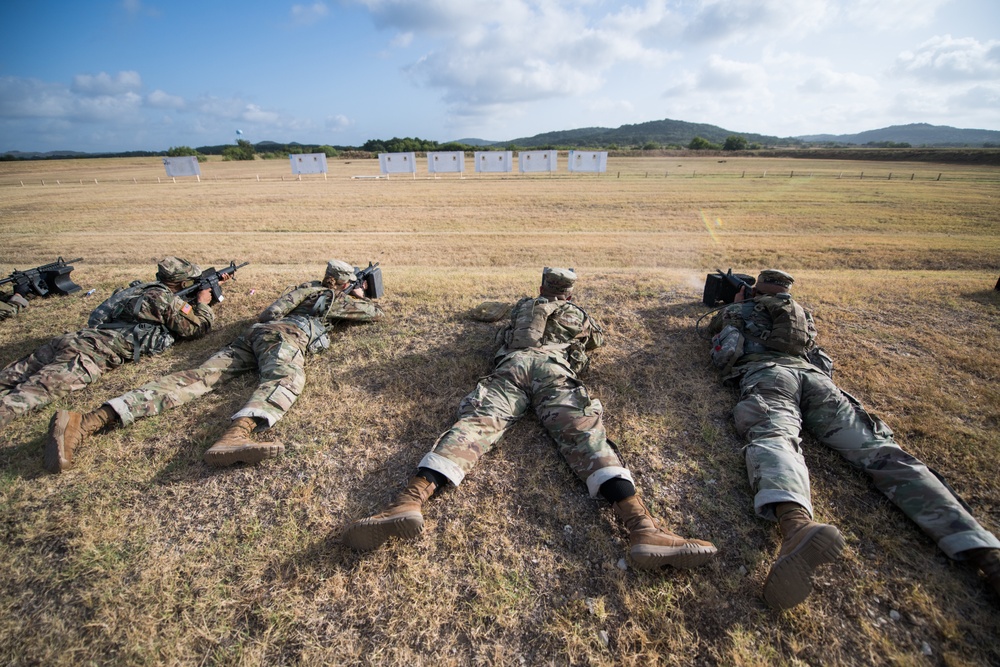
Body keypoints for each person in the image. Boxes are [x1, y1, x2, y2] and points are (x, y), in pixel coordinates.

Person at [344, 268, 718, 572]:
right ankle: (642, 528)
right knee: (587, 438)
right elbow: (595, 344)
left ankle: (408, 502)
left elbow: (487, 317)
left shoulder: (524, 306)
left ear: (541, 286)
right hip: (554, 371)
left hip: (512, 366)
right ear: (569, 293)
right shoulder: (578, 314)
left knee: (474, 426)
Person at [705, 269, 1000, 609]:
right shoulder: (801, 316)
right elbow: (822, 361)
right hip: (818, 383)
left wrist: (731, 312)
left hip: (770, 375)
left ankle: (797, 525)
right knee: (880, 450)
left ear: (755, 289)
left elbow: (724, 354)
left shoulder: (741, 310)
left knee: (775, 434)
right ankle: (983, 551)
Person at [46, 259, 384, 473]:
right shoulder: (332, 297)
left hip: (253, 335)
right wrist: (360, 296)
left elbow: (270, 312)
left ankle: (87, 421)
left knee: (196, 378)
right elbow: (373, 313)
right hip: (285, 338)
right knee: (286, 378)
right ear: (341, 283)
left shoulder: (303, 290)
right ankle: (237, 435)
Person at [0, 257, 215, 432]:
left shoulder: (138, 288)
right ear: (183, 282)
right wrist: (203, 303)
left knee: (6, 379)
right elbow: (197, 329)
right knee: (26, 396)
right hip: (87, 355)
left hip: (74, 339)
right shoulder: (165, 299)